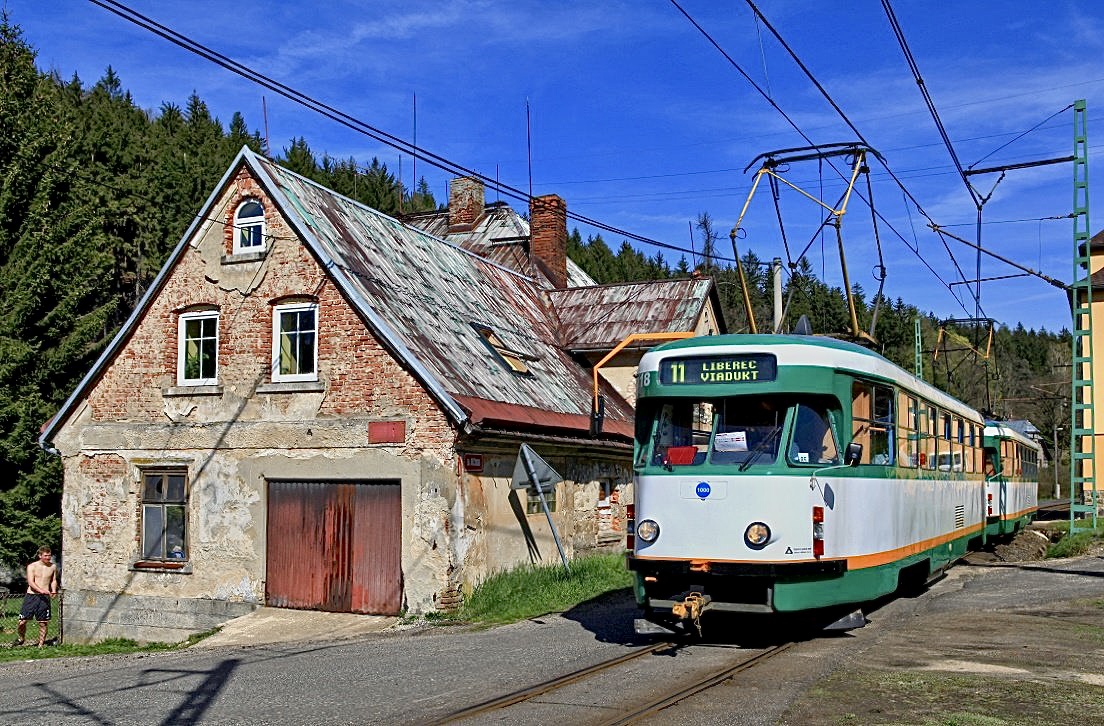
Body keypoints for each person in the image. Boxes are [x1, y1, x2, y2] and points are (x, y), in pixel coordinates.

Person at [15, 546, 58, 648]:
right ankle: (21, 638)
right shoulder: (32, 566)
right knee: (22, 622)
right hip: (31, 596)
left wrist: (54, 590)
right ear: (40, 556)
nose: (48, 557)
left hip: (44, 598)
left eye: (49, 555)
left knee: (43, 622)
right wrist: (42, 590)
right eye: (46, 555)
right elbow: (31, 582)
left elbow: (53, 580)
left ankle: (41, 645)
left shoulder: (53, 567)